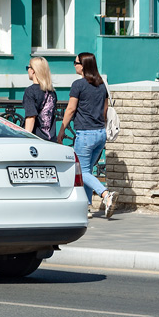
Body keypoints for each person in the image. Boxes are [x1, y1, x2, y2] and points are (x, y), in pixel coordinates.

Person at [58, 52, 115, 219]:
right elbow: (104, 111)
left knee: (81, 172)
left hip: (85, 134)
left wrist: (62, 130)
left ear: (83, 65)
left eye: (75, 62)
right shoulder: (101, 85)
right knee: (87, 170)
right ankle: (87, 207)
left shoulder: (78, 85)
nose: (74, 65)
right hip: (100, 133)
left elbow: (70, 109)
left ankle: (106, 195)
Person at [21, 56, 58, 141]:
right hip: (51, 138)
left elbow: (31, 117)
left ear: (33, 70)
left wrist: (25, 138)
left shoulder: (30, 91)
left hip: (36, 139)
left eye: (28, 67)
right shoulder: (52, 92)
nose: (28, 70)